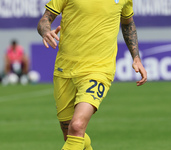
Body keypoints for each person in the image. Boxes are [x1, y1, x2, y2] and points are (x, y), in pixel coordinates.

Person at [37, 0, 147, 150]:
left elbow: (128, 23)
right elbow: (45, 19)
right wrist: (45, 31)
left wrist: (136, 57)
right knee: (71, 134)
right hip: (65, 69)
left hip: (99, 70)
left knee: (77, 126)